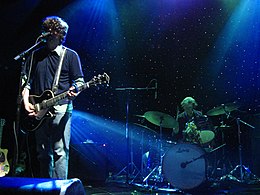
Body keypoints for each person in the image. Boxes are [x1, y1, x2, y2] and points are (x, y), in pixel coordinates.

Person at [22, 16, 84, 179]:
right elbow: (25, 82)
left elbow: (79, 80)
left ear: (60, 34)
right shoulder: (35, 55)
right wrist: (26, 100)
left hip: (61, 106)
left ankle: (59, 189)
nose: (49, 33)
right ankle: (45, 187)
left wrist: (75, 89)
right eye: (47, 29)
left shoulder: (70, 55)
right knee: (42, 153)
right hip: (38, 108)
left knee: (60, 151)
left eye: (53, 30)